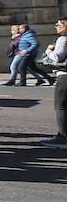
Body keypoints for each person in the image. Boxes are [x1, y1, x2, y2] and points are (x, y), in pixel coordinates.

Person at [41, 18, 67, 148]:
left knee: (60, 106)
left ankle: (62, 137)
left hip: (64, 76)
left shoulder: (63, 39)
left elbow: (58, 57)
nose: (56, 27)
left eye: (58, 25)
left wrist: (48, 50)